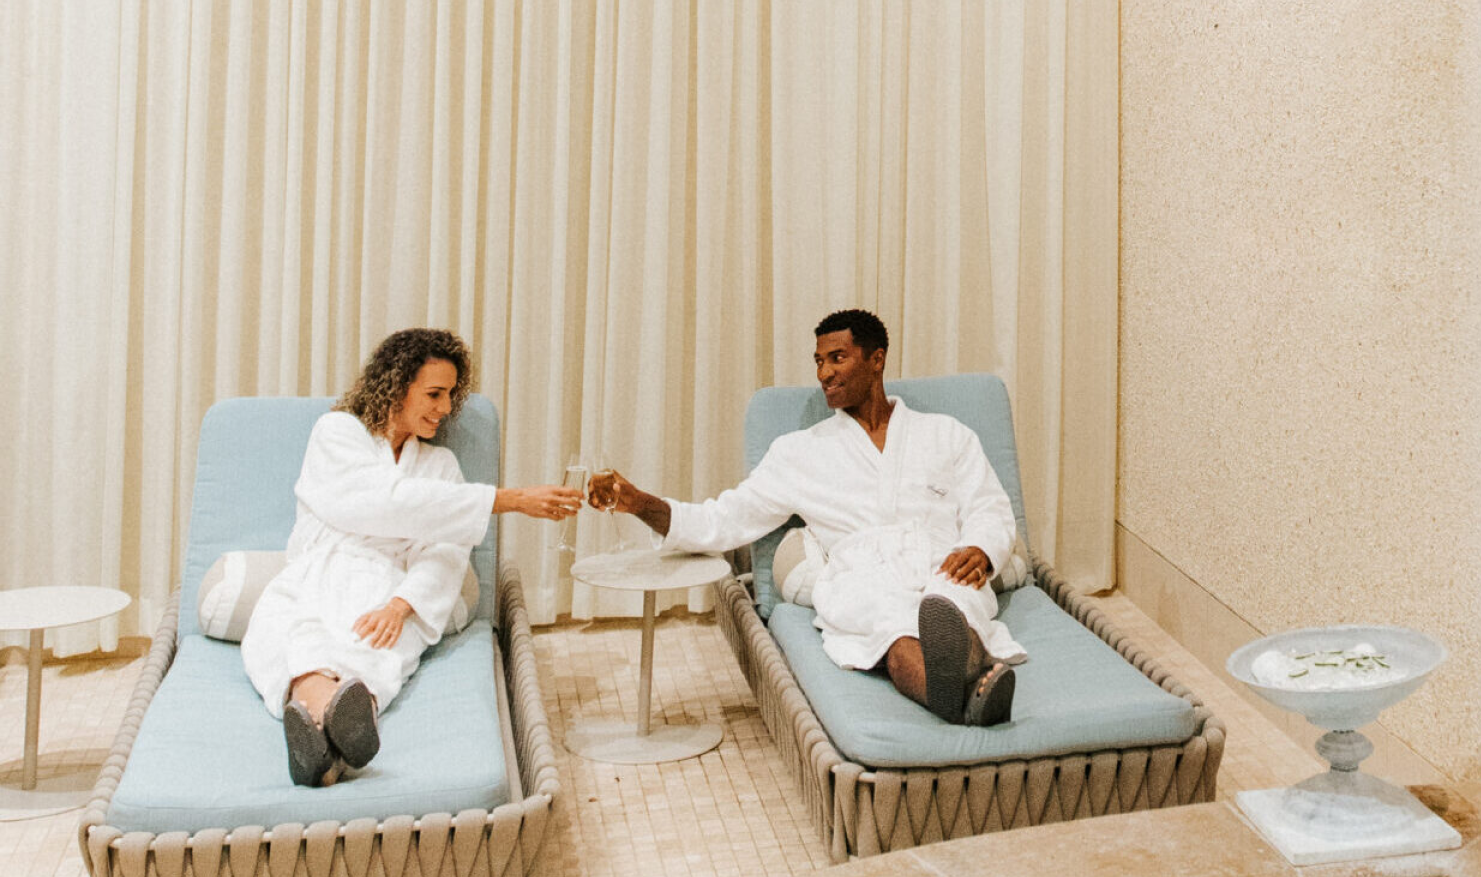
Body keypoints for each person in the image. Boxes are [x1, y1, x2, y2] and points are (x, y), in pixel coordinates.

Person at [588, 309, 1024, 726]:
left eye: (837, 358)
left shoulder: (946, 434)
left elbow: (990, 506)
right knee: (891, 627)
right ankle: (965, 695)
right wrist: (640, 504)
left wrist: (982, 549)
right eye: (818, 362)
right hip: (864, 576)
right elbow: (723, 519)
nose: (823, 374)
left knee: (953, 603)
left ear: (877, 361)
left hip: (940, 562)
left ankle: (964, 676)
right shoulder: (799, 452)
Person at [241, 328, 582, 786]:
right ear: (396, 384)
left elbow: (446, 552)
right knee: (283, 629)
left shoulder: (441, 466)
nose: (445, 408)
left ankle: (321, 739)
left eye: (451, 395)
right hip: (321, 569)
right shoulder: (337, 433)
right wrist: (511, 499)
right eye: (434, 393)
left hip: (390, 585)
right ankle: (330, 720)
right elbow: (385, 501)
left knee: (382, 649)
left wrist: (401, 605)